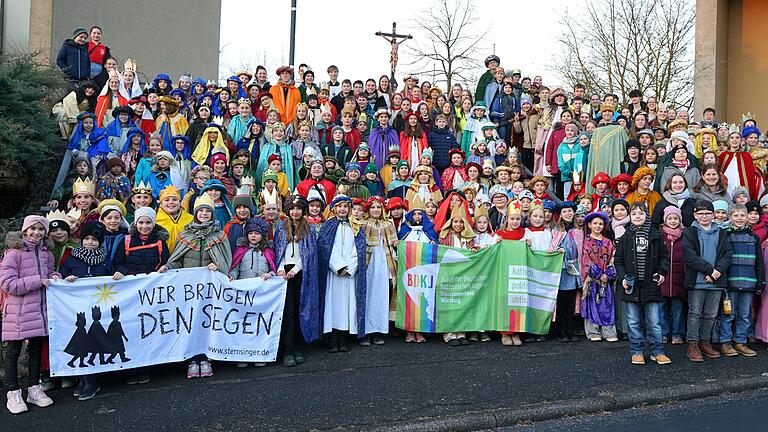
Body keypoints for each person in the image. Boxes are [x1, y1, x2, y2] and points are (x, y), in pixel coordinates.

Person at [161, 194, 232, 378]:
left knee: (208, 322)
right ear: (195, 213)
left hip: (210, 290)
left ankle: (207, 357)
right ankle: (192, 359)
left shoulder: (219, 235)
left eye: (208, 211)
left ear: (212, 214)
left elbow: (226, 260)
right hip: (189, 290)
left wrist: (218, 266)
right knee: (190, 322)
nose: (204, 214)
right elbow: (177, 260)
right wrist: (168, 266)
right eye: (201, 211)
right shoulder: (185, 234)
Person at [1, 215, 59, 413]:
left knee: (36, 349)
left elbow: (49, 274)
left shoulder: (46, 253)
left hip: (40, 311)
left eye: (41, 229)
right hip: (18, 312)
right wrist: (38, 280)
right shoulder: (14, 253)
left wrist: (54, 277)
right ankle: (13, 393)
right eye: (32, 229)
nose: (36, 233)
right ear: (24, 230)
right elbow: (7, 284)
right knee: (14, 351)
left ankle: (34, 389)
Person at [59, 221, 114, 401]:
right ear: (82, 240)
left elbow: (112, 281)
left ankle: (92, 380)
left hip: (99, 310)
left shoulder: (105, 260)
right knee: (82, 343)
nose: (90, 242)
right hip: (77, 309)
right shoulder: (71, 260)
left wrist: (117, 276)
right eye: (87, 239)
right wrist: (67, 279)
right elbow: (61, 278)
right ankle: (83, 378)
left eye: (95, 239)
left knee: (95, 342)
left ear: (100, 242)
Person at [615, 203, 671, 365]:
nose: (638, 216)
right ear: (630, 217)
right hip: (631, 285)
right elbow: (618, 261)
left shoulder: (655, 235)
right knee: (633, 322)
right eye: (634, 214)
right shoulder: (625, 237)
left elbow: (664, 257)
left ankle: (657, 351)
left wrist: (662, 272)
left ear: (647, 215)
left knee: (654, 322)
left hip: (651, 285)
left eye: (641, 213)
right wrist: (623, 277)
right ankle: (637, 351)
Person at [318, 195, 368, 353]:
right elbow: (326, 247)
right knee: (333, 304)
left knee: (347, 305)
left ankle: (343, 337)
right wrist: (339, 266)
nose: (342, 209)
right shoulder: (328, 226)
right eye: (339, 206)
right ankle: (332, 337)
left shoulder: (355, 226)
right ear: (334, 208)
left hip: (349, 274)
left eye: (346, 206)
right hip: (334, 274)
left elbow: (359, 249)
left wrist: (350, 267)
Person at [683, 199, 732, 362]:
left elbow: (727, 255)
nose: (704, 216)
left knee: (710, 314)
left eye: (708, 213)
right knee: (694, 313)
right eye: (700, 213)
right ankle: (693, 344)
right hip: (697, 280)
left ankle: (705, 341)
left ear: (713, 215)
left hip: (716, 280)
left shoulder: (722, 233)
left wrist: (716, 271)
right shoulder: (690, 232)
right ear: (695, 215)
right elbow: (689, 256)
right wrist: (709, 270)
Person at [719, 204, 763, 357]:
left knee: (744, 314)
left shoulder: (754, 237)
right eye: (736, 216)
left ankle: (740, 341)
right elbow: (721, 259)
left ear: (746, 218)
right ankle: (725, 342)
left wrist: (760, 282)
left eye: (742, 216)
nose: (739, 219)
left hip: (748, 282)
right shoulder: (725, 235)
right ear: (730, 217)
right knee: (728, 314)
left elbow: (759, 262)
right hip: (730, 283)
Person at [361, 196, 398, 346]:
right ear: (368, 210)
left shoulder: (388, 224)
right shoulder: (363, 224)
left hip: (384, 262)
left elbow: (394, 244)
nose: (376, 210)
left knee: (382, 297)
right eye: (373, 207)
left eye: (378, 207)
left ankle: (379, 331)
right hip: (369, 263)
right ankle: (365, 332)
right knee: (368, 296)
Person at [581, 211, 618, 342]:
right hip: (592, 281)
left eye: (600, 224)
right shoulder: (585, 242)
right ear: (589, 225)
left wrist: (607, 274)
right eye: (595, 223)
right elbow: (586, 260)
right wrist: (597, 274)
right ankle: (593, 331)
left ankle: (608, 331)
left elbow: (613, 259)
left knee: (607, 304)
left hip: (606, 280)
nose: (598, 226)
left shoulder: (608, 242)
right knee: (592, 304)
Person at [659, 206, 687, 345]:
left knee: (678, 309)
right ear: (665, 220)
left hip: (679, 278)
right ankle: (663, 333)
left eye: (675, 218)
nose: (673, 221)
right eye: (670, 218)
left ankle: (677, 333)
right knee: (662, 309)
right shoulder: (660, 235)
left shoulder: (685, 235)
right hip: (663, 278)